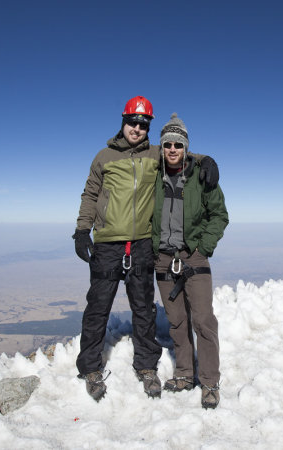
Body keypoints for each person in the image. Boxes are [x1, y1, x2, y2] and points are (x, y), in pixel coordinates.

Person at [72, 96, 219, 401]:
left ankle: (146, 366)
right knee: (98, 307)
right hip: (108, 243)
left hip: (141, 243)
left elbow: (181, 152)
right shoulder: (104, 156)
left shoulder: (155, 154)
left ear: (148, 127)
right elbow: (90, 194)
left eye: (143, 124)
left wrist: (208, 161)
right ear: (123, 122)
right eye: (132, 122)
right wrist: (82, 230)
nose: (137, 128)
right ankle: (90, 367)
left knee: (143, 308)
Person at [152, 113, 228, 409]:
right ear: (161, 147)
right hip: (163, 259)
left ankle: (209, 381)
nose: (172, 149)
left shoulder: (201, 175)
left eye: (178, 145)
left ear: (186, 148)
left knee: (203, 320)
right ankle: (184, 373)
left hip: (193, 256)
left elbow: (219, 215)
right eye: (167, 144)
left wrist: (203, 248)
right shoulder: (153, 175)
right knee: (176, 321)